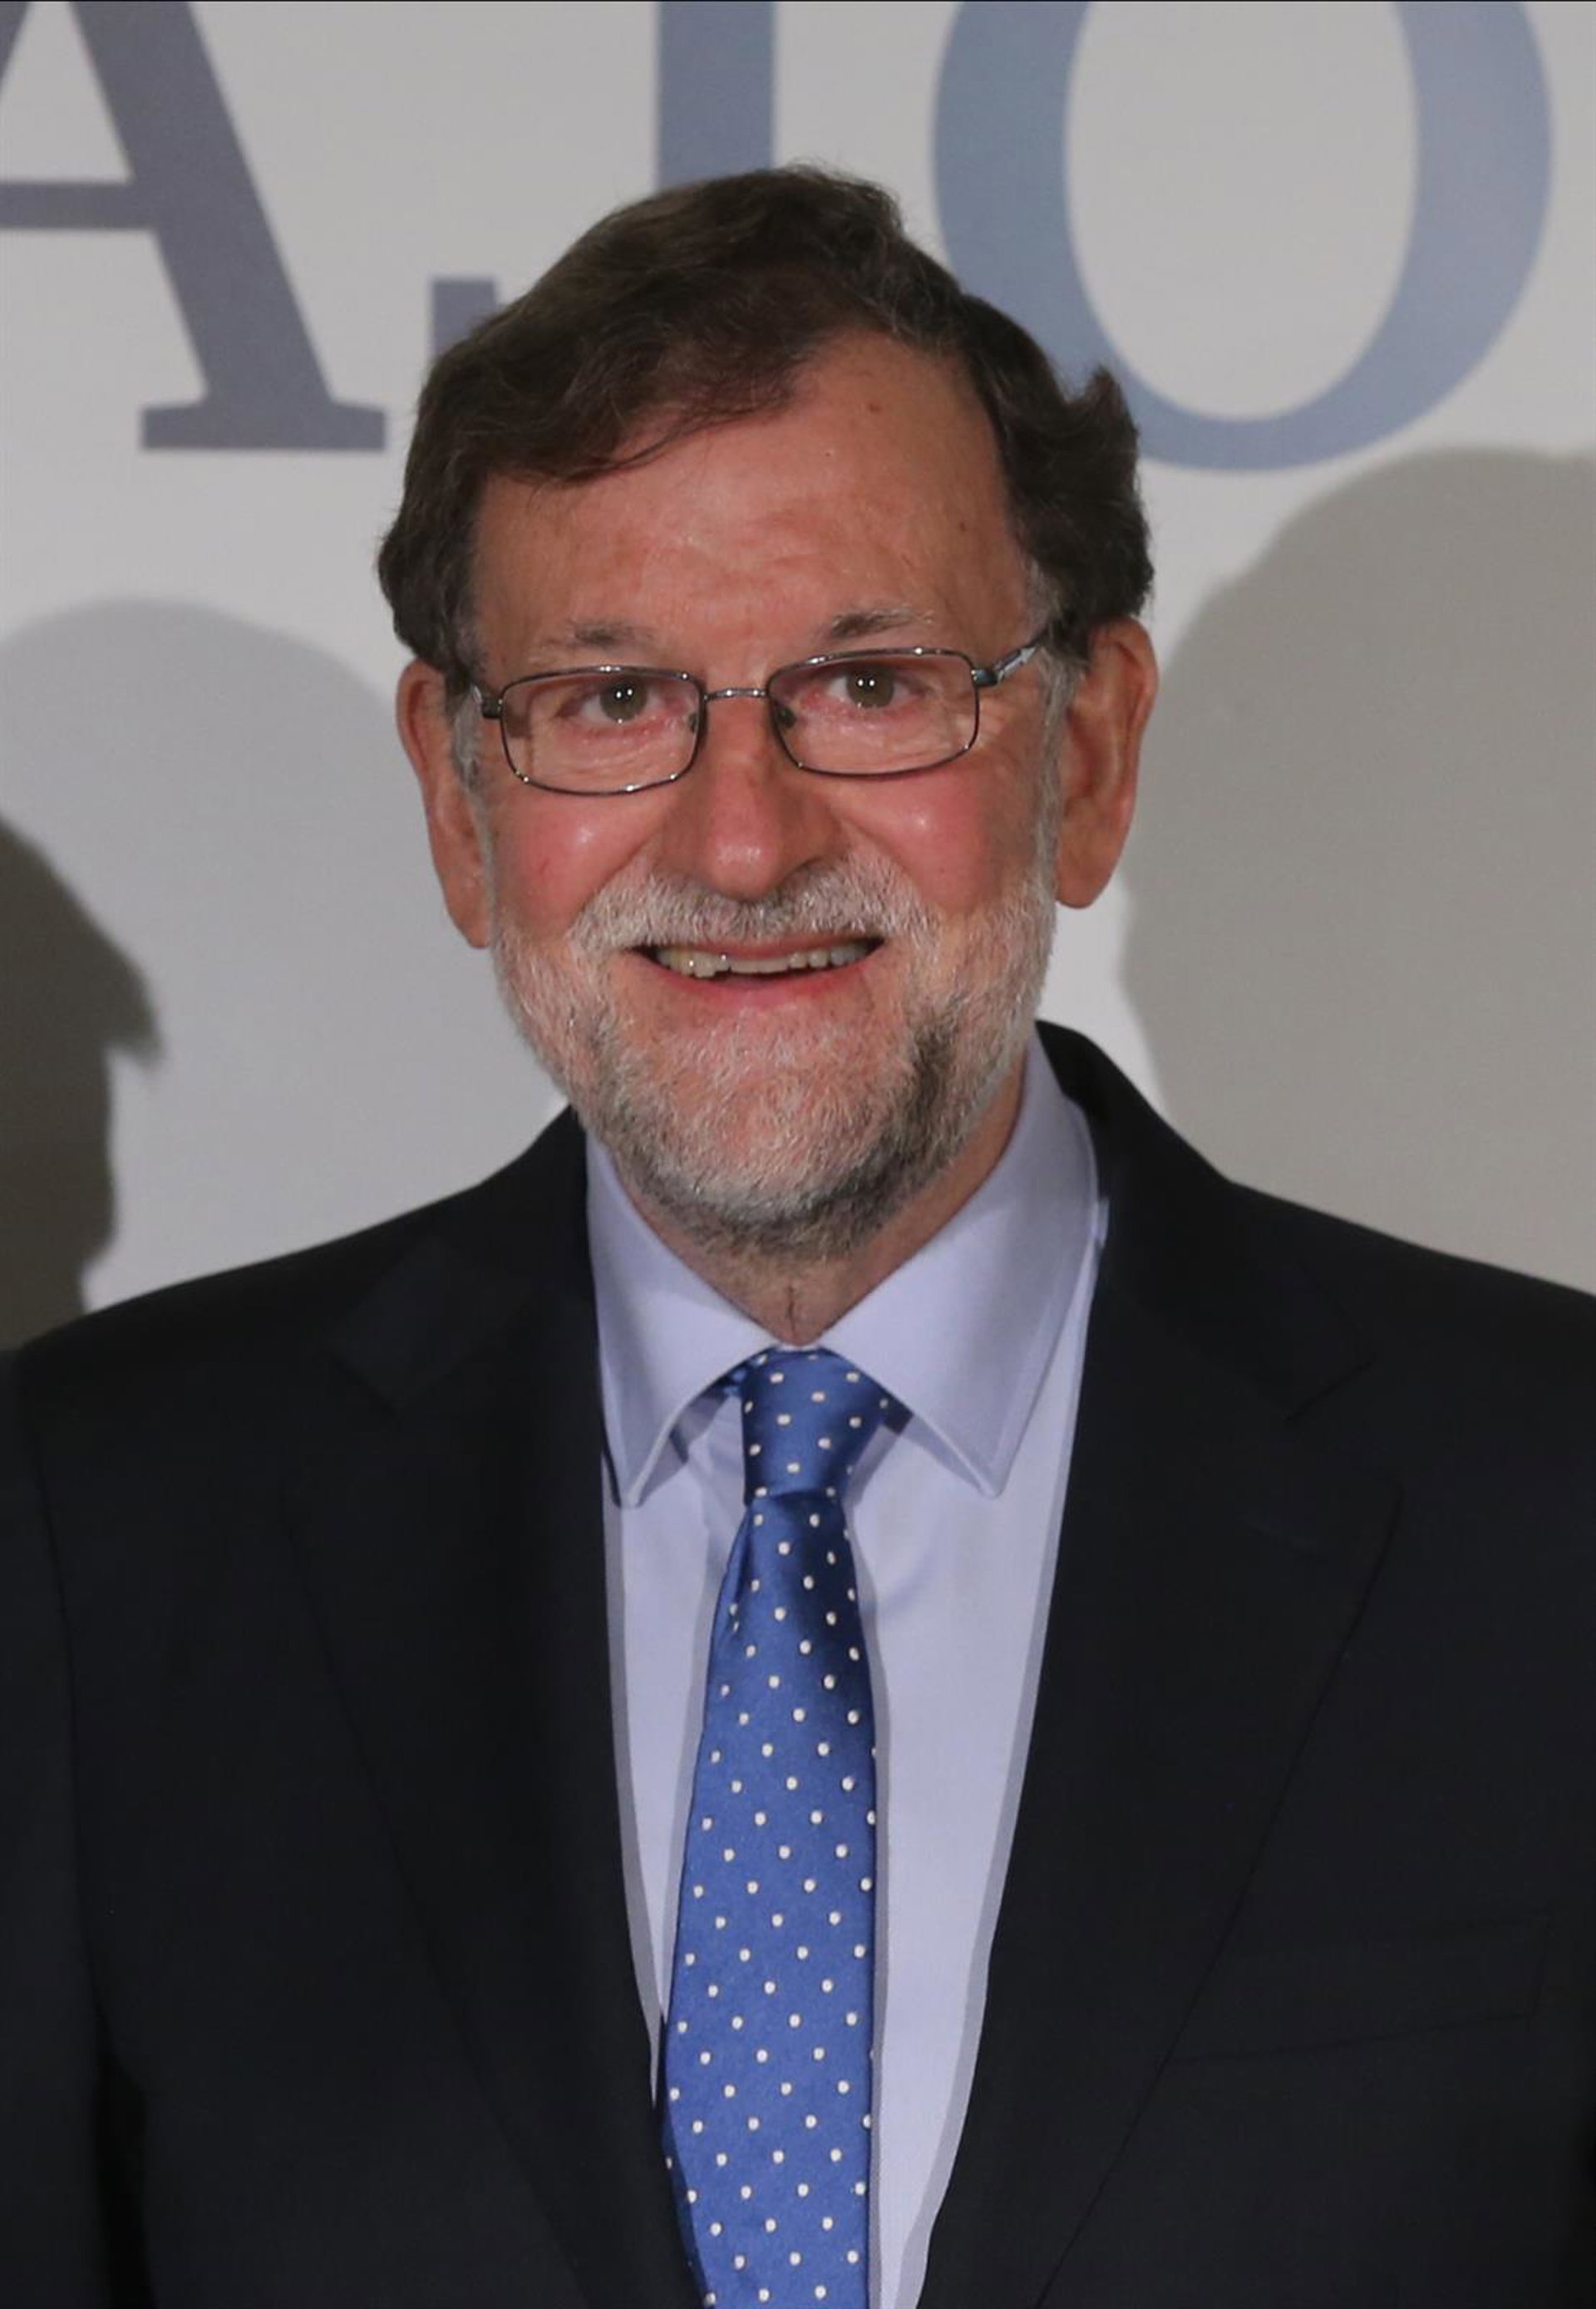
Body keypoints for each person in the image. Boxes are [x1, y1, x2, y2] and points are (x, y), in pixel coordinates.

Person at [2, 167, 1590, 2309]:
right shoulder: (95, 1537)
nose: (742, 839)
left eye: (870, 683)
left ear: (1091, 751)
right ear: (460, 801)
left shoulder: (1549, 1514)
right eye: (610, 701)